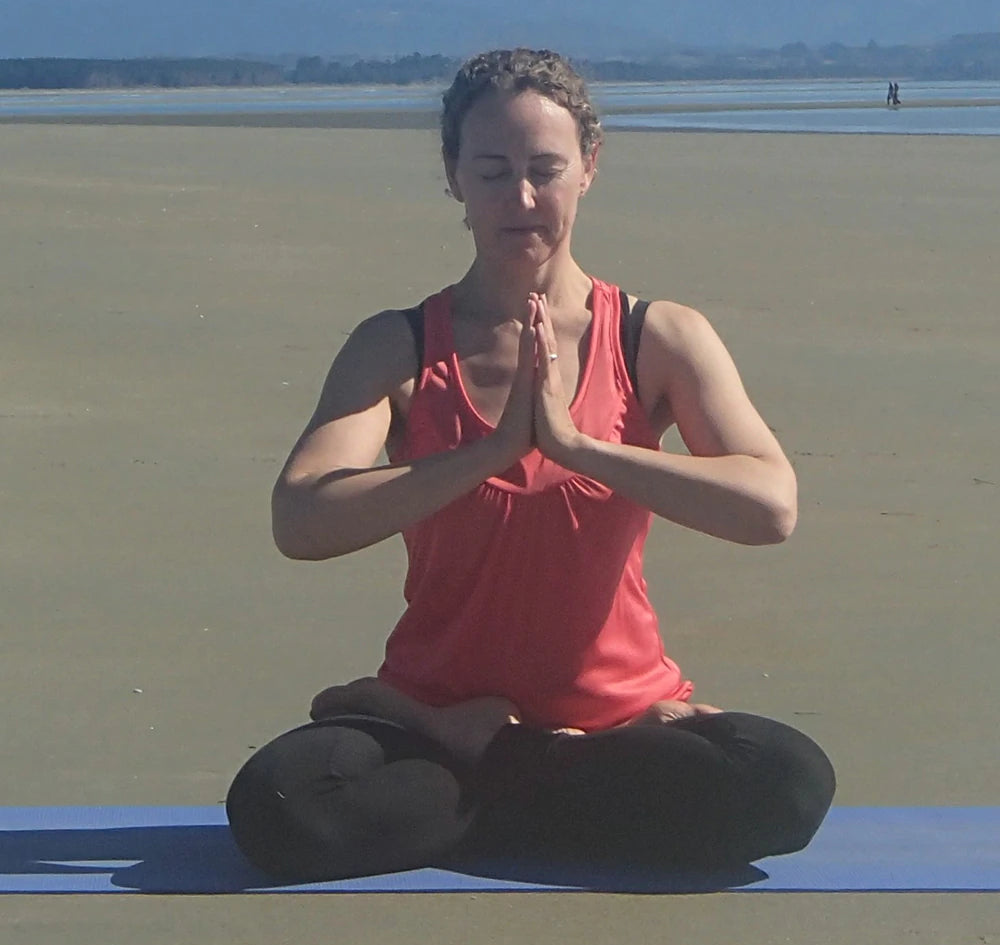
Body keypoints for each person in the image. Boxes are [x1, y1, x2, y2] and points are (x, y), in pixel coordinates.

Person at [226, 48, 836, 883]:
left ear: (589, 167)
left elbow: (771, 507)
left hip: (615, 721)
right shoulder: (399, 346)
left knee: (787, 784)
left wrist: (580, 447)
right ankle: (519, 772)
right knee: (282, 808)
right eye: (492, 172)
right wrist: (491, 451)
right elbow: (301, 520)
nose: (520, 198)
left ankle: (516, 772)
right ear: (454, 177)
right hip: (433, 722)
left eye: (544, 170)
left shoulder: (655, 337)